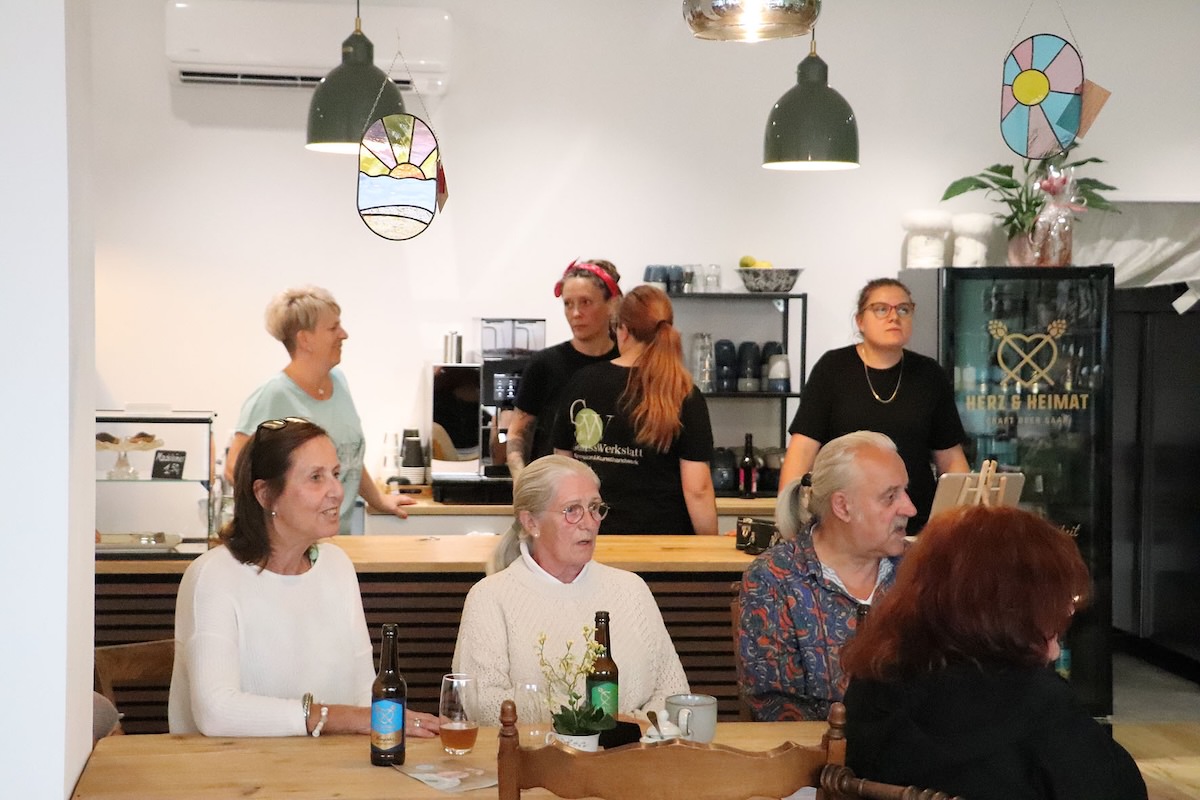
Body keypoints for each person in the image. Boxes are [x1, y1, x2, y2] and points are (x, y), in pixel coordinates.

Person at [841, 504, 1147, 800]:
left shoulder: (871, 685)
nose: (1066, 611)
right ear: (1013, 606)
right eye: (1056, 599)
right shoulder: (1037, 703)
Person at [169, 418, 439, 738]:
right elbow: (216, 711)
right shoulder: (213, 576)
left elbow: (362, 696)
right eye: (315, 478)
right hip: (228, 767)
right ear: (265, 494)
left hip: (326, 765)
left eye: (336, 474)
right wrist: (333, 717)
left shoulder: (337, 566)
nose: (337, 491)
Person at [451, 455, 690, 726]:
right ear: (531, 522)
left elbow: (674, 692)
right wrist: (591, 722)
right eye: (572, 510)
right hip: (534, 751)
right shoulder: (490, 597)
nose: (589, 523)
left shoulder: (632, 590)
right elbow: (483, 705)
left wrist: (629, 729)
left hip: (634, 749)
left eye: (595, 508)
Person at [737, 431, 915, 721]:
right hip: (815, 748)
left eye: (905, 492)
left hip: (914, 747)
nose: (910, 508)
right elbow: (774, 706)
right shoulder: (775, 578)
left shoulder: (920, 571)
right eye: (890, 497)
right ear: (842, 506)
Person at [779, 278, 968, 533]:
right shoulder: (833, 369)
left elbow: (952, 461)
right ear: (860, 321)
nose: (894, 317)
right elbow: (802, 451)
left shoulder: (929, 374)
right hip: (845, 523)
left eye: (903, 309)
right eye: (881, 309)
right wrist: (788, 522)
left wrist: (959, 522)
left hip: (915, 523)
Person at [225, 286, 413, 533]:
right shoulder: (272, 395)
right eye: (333, 328)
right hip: (294, 544)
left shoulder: (339, 382)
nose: (344, 334)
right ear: (305, 339)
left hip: (336, 537)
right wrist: (282, 521)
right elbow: (234, 469)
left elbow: (349, 458)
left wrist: (378, 499)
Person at [552, 285, 717, 534]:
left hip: (593, 536)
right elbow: (698, 490)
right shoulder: (683, 392)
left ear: (624, 330)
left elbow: (563, 467)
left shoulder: (582, 382)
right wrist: (710, 547)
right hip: (665, 541)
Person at [506, 259, 622, 477]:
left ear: (612, 305)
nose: (575, 313)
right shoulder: (544, 365)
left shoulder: (628, 364)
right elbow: (518, 433)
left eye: (586, 302)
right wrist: (520, 480)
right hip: (554, 488)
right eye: (568, 304)